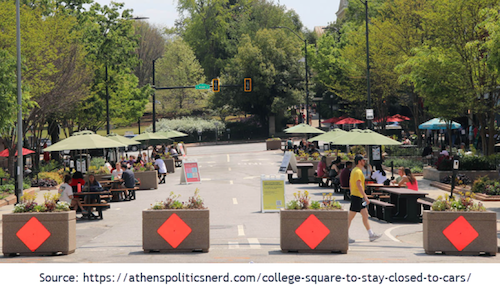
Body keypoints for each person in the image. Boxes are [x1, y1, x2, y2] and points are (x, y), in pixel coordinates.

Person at [348, 155, 382, 243]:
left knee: (365, 215)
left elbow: (351, 183)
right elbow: (359, 184)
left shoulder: (354, 171)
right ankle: (344, 235)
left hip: (357, 196)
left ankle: (371, 234)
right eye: (363, 160)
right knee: (350, 217)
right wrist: (365, 196)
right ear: (359, 161)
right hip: (357, 196)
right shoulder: (358, 172)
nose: (364, 162)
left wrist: (353, 193)